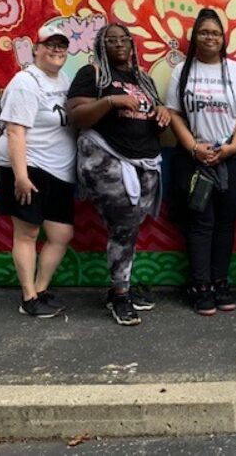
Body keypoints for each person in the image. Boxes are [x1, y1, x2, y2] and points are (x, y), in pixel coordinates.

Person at [67, 23, 171, 326]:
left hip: (143, 160)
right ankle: (121, 294)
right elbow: (76, 115)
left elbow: (153, 112)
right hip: (107, 157)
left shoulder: (144, 79)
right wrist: (110, 101)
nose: (119, 44)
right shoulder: (94, 75)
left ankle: (118, 288)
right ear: (102, 46)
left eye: (124, 39)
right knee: (124, 225)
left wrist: (162, 112)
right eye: (111, 40)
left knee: (127, 228)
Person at [166, 8, 236, 316]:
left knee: (225, 223)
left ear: (223, 38)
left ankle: (220, 282)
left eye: (215, 33)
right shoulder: (182, 71)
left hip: (230, 160)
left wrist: (232, 147)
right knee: (200, 223)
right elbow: (174, 114)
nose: (210, 38)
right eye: (204, 32)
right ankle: (201, 285)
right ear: (195, 37)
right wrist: (193, 147)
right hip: (195, 159)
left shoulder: (235, 71)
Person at [0, 24, 76, 318]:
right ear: (36, 49)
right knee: (27, 233)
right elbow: (15, 131)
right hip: (28, 166)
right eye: (50, 45)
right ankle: (28, 296)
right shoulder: (25, 82)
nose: (56, 50)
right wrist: (21, 177)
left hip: (58, 170)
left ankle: (41, 289)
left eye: (61, 46)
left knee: (61, 234)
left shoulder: (63, 79)